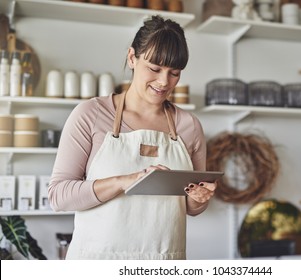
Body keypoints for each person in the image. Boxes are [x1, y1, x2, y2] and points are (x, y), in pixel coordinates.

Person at [48, 15, 217, 260]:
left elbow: (191, 208)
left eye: (174, 73)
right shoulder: (92, 114)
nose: (164, 82)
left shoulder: (189, 126)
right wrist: (124, 181)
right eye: (154, 68)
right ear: (131, 58)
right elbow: (58, 196)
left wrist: (199, 199)